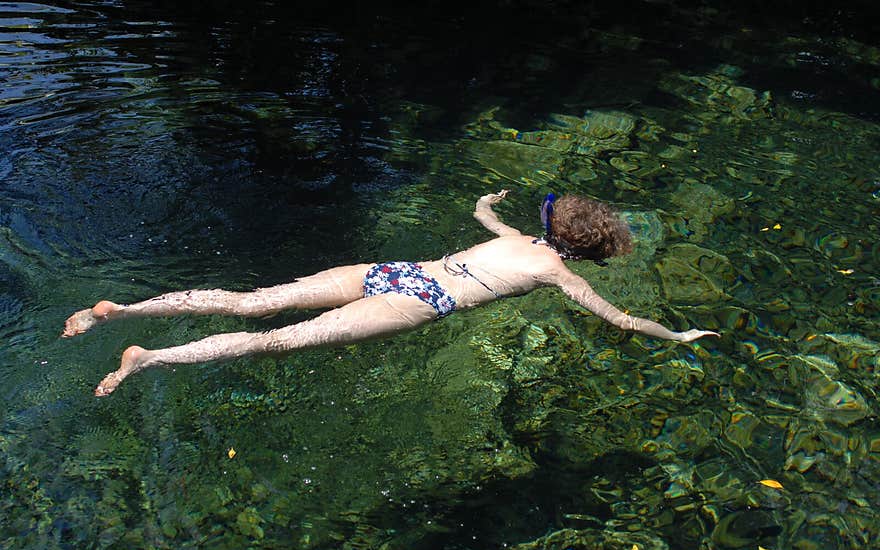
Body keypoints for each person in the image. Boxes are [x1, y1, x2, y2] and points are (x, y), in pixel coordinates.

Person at [62, 190, 719, 396]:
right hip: (418, 302)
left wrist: (486, 202)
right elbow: (625, 319)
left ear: (552, 225)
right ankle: (148, 357)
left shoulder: (517, 236)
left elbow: (485, 218)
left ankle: (122, 310)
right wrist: (678, 334)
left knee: (252, 299)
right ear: (587, 252)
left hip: (396, 270)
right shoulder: (557, 273)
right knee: (273, 341)